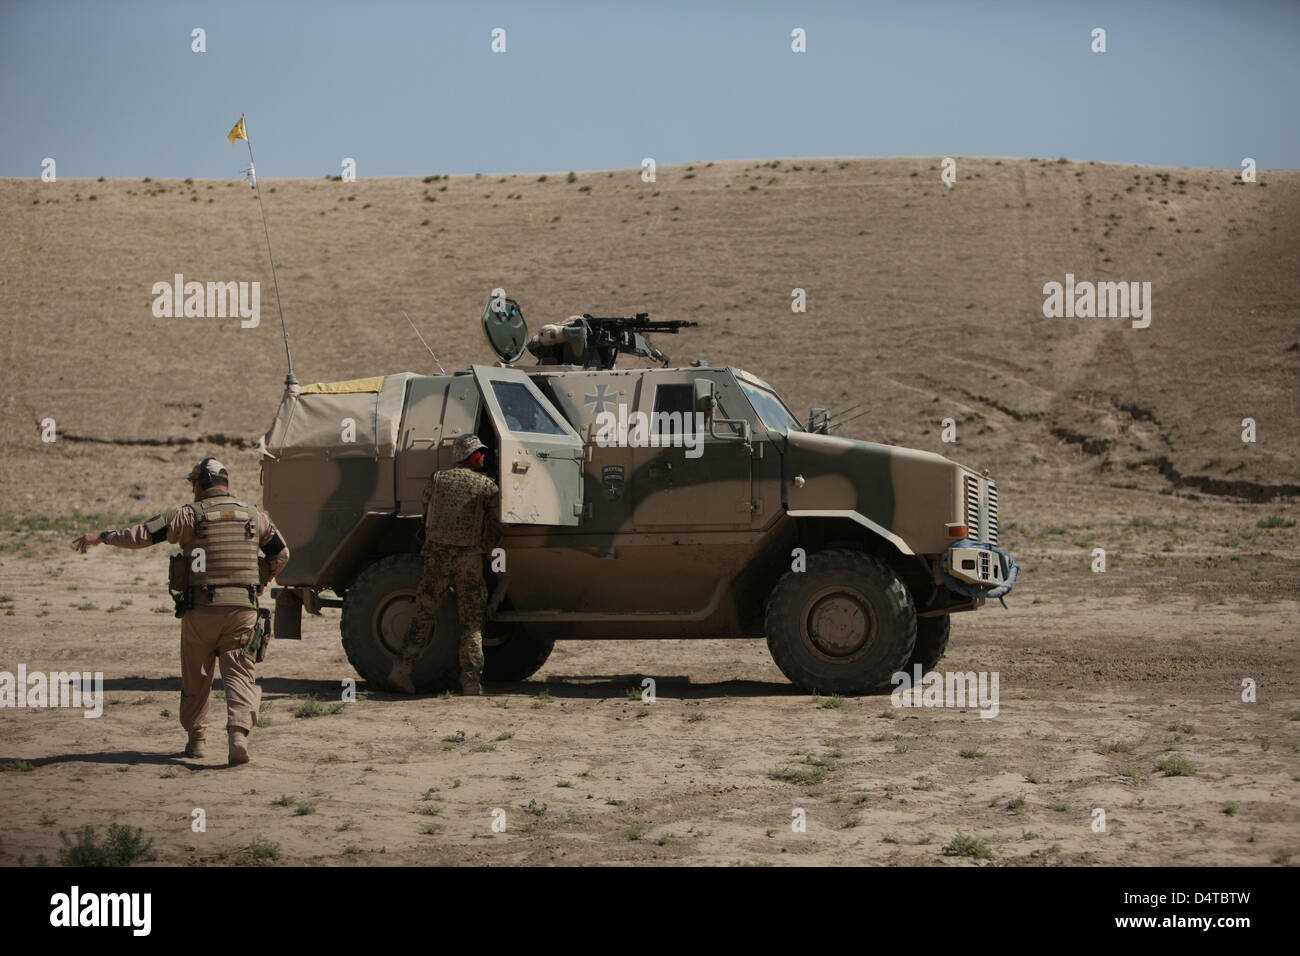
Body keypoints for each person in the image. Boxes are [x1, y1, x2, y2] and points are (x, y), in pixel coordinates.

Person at [71, 457, 289, 766]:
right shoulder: (254, 516)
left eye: (193, 484)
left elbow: (142, 535)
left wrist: (102, 537)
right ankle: (238, 735)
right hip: (242, 610)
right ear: (225, 485)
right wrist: (261, 582)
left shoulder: (188, 516)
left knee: (196, 677)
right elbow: (282, 553)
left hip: (200, 610)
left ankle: (197, 740)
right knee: (240, 673)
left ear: (200, 484)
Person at [390, 434, 500, 696]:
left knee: (424, 614)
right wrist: (488, 548)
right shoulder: (486, 485)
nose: (483, 456)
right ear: (472, 456)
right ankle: (471, 682)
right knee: (471, 621)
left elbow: (426, 514)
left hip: (436, 556)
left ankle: (401, 671)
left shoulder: (437, 479)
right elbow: (495, 524)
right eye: (479, 452)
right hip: (468, 560)